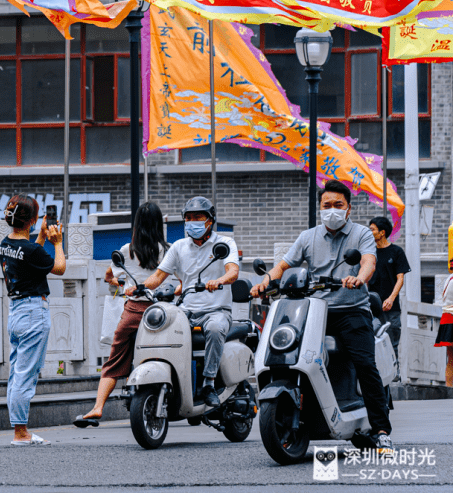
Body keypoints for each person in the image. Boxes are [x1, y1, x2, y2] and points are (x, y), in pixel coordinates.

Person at [251, 179, 392, 454]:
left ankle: (381, 430)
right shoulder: (308, 237)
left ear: (348, 208)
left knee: (365, 364)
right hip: (314, 310)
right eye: (326, 205)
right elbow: (283, 266)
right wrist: (264, 283)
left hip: (351, 309)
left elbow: (368, 262)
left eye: (338, 205)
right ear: (320, 208)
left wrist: (359, 279)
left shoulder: (362, 234)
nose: (332, 210)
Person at [74, 200, 170, 427]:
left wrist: (121, 283)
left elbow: (109, 275)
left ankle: (98, 408)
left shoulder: (127, 251)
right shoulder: (168, 250)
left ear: (136, 224)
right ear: (159, 225)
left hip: (133, 312)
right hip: (162, 314)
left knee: (114, 358)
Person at [141, 195, 238, 408]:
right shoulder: (178, 247)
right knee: (162, 326)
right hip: (186, 309)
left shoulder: (224, 244)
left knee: (214, 329)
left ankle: (209, 383)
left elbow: (233, 272)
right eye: (188, 218)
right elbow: (158, 276)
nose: (192, 222)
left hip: (216, 310)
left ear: (210, 220)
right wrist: (139, 287)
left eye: (198, 217)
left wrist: (219, 280)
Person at [0, 194, 66, 445]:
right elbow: (59, 267)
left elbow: (30, 252)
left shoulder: (5, 243)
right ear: (33, 220)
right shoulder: (31, 250)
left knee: (17, 373)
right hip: (33, 312)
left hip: (16, 312)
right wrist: (57, 242)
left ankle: (19, 428)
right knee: (26, 374)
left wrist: (39, 236)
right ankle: (20, 432)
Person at [368, 215, 411, 377]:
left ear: (382, 233)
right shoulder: (369, 252)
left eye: (372, 229)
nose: (369, 232)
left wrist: (391, 298)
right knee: (371, 339)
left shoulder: (396, 251)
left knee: (392, 339)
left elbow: (400, 279)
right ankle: (375, 372)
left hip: (391, 306)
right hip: (371, 306)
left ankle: (394, 372)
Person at [433, 259, 453, 387]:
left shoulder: (449, 278)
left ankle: (449, 385)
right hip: (451, 316)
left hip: (447, 317)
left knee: (451, 357)